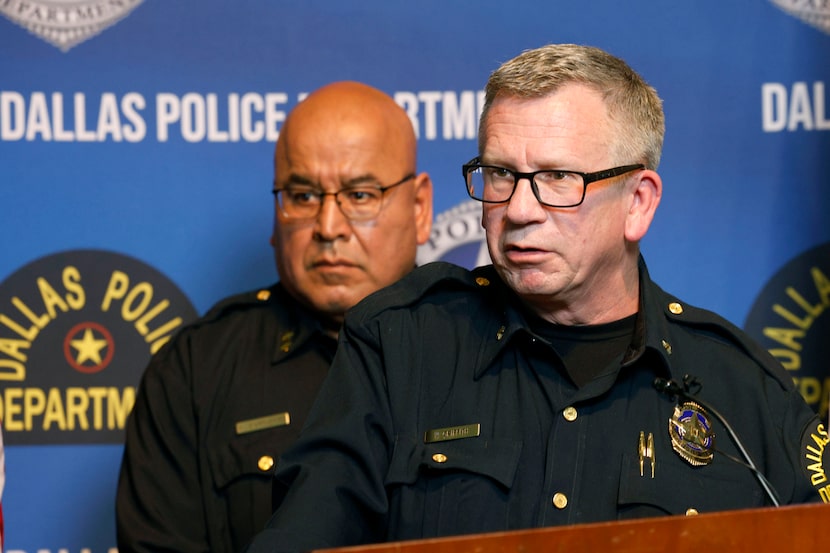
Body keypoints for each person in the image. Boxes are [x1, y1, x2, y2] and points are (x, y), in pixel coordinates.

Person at [243, 44, 829, 552]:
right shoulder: (400, 342)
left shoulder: (741, 389)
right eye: (500, 174)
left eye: (557, 178)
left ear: (638, 203)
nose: (520, 210)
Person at [115, 81, 434, 553]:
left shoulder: (489, 349)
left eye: (361, 195)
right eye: (302, 196)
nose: (328, 227)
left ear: (420, 208)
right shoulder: (195, 370)